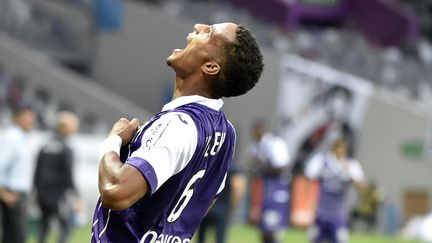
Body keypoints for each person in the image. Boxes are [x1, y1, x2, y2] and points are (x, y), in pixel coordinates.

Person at [91, 22, 264, 243]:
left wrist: (112, 141)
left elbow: (115, 191)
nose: (198, 26)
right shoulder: (226, 133)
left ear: (211, 67)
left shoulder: (179, 124)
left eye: (209, 32)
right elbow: (202, 202)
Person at [305, 138, 366, 243]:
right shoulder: (322, 161)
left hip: (338, 212)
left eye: (343, 148)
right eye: (338, 147)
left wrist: (352, 175)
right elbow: (308, 179)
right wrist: (310, 201)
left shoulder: (350, 164)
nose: (341, 150)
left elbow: (361, 186)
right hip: (321, 210)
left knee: (340, 239)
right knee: (316, 239)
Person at [33, 111, 80, 243]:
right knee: (66, 226)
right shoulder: (66, 148)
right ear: (65, 127)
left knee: (43, 226)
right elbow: (68, 175)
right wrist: (76, 196)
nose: (76, 127)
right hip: (58, 195)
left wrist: (35, 193)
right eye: (74, 124)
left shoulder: (45, 145)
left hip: (42, 194)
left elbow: (37, 171)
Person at [249, 120, 291, 243]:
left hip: (277, 189)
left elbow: (282, 167)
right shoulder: (257, 145)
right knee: (264, 229)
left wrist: (261, 167)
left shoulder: (274, 143)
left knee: (273, 229)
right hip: (267, 189)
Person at [0, 105, 36, 243]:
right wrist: (3, 193)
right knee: (17, 237)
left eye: (32, 117)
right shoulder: (12, 138)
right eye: (26, 117)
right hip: (10, 194)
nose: (30, 121)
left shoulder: (24, 138)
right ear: (17, 118)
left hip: (19, 194)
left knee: (14, 237)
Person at [196, 160, 246, 243]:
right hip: (221, 208)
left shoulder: (207, 163)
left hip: (204, 206)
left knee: (201, 237)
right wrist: (233, 206)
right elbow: (237, 189)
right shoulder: (231, 167)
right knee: (220, 238)